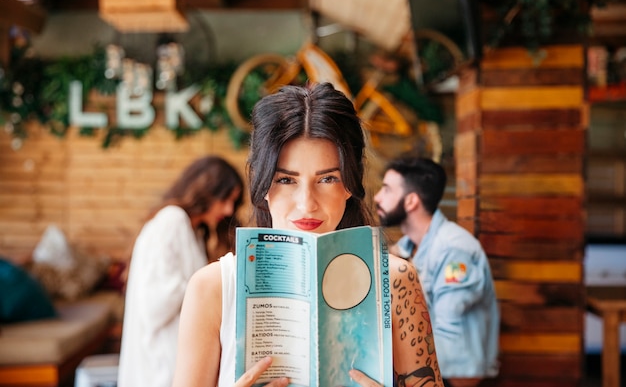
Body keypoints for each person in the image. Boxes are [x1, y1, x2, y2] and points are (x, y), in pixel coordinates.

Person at [172, 83, 442, 387]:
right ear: (262, 185)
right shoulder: (213, 288)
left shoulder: (395, 280)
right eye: (286, 179)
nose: (306, 203)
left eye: (327, 178)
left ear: (350, 183)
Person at [118, 155, 244, 387]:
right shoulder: (172, 221)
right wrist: (206, 287)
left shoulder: (193, 231)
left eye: (233, 203)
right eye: (225, 199)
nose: (228, 210)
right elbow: (153, 305)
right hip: (160, 361)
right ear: (206, 190)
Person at [373, 157, 499, 387]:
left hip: (454, 376)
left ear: (411, 201)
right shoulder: (407, 247)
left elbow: (448, 337)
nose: (377, 197)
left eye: (387, 189)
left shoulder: (454, 250)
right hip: (425, 366)